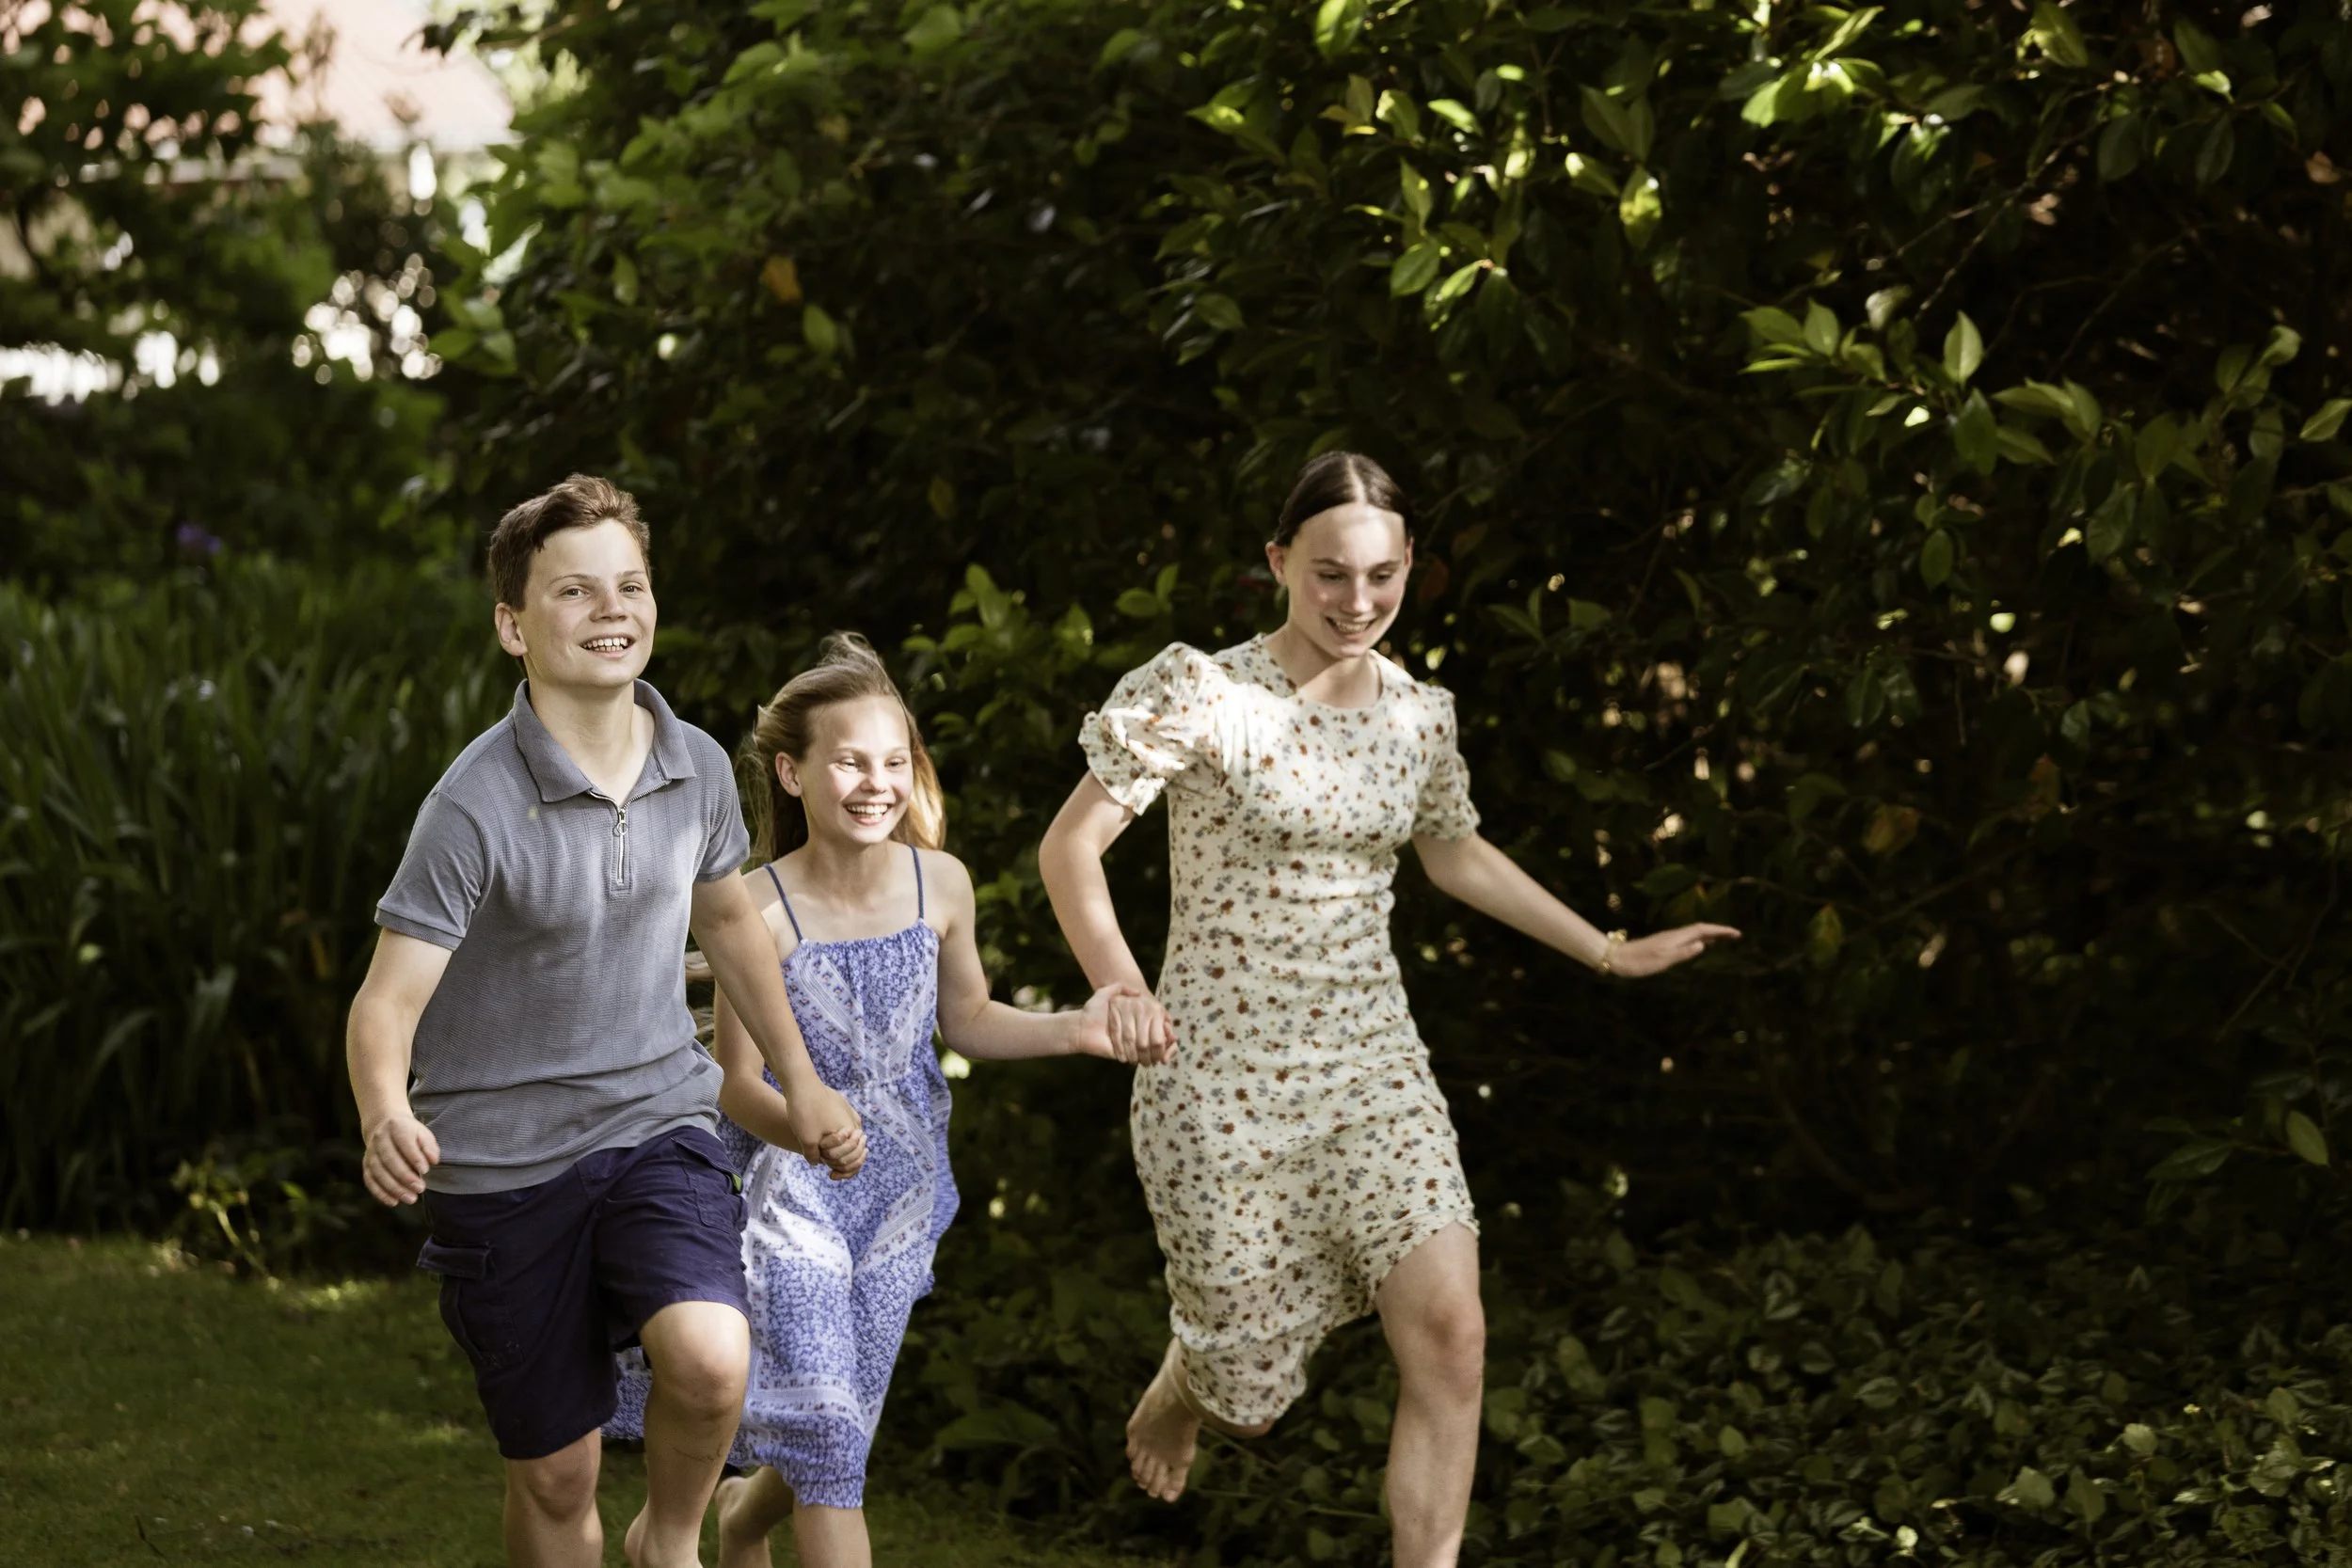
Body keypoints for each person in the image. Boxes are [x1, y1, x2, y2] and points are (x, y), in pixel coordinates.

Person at [1037, 451, 1740, 1568]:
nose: (1355, 601)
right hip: (1216, 1073)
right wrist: (1119, 980)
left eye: (1379, 573)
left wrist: (1607, 949)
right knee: (1251, 1405)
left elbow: (1455, 853)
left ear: (1410, 563)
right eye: (1326, 574)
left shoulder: (1418, 715)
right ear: (1277, 564)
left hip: (1372, 1066)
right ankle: (1189, 1383)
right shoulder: (1200, 691)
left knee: (1454, 1334)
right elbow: (1070, 844)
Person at [346, 475, 867, 1568]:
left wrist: (799, 1080)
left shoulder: (692, 765)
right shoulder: (473, 804)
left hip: (651, 1118)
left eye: (628, 584)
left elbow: (729, 922)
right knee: (557, 1472)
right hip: (499, 1161)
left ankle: (668, 1542)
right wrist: (384, 1109)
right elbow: (387, 998)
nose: (610, 608)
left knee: (712, 1357)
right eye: (574, 591)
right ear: (513, 624)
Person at [606, 634, 1167, 1568]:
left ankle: (741, 1517)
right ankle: (689, 1528)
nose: (877, 782)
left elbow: (971, 1019)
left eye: (896, 761)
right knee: (828, 1436)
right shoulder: (755, 908)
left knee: (843, 1419)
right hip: (793, 1194)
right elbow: (739, 1085)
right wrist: (810, 1132)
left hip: (904, 1192)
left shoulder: (937, 882)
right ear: (792, 771)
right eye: (851, 761)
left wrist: (1078, 1025)